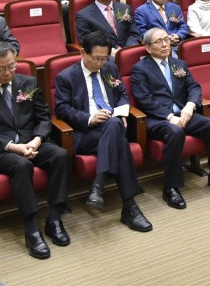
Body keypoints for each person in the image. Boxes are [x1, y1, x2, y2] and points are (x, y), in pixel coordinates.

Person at [0, 42, 70, 259]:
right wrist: (14, 147)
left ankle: (54, 217)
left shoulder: (29, 82)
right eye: (2, 69)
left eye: (12, 66)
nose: (8, 73)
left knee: (60, 155)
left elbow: (43, 117)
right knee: (21, 165)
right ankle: (31, 227)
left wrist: (36, 141)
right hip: (4, 150)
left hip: (31, 142)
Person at [52, 31, 153, 233]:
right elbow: (62, 109)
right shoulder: (66, 77)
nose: (100, 63)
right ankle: (129, 207)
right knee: (119, 138)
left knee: (114, 124)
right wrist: (89, 118)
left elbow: (123, 96)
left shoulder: (111, 69)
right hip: (85, 133)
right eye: (95, 58)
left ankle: (99, 186)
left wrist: (122, 113)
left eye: (104, 58)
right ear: (83, 53)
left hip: (111, 125)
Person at [130, 28, 210, 209]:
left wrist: (190, 105)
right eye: (158, 41)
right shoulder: (140, 69)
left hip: (183, 114)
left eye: (166, 39)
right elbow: (144, 100)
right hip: (157, 119)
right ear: (148, 48)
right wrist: (169, 117)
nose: (165, 44)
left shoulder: (179, 64)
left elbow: (194, 87)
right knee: (175, 132)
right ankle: (171, 187)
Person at [74, 0, 141, 52]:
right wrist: (109, 51)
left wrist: (127, 50)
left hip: (128, 51)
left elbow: (134, 32)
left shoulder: (125, 8)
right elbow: (86, 42)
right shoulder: (84, 15)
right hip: (105, 55)